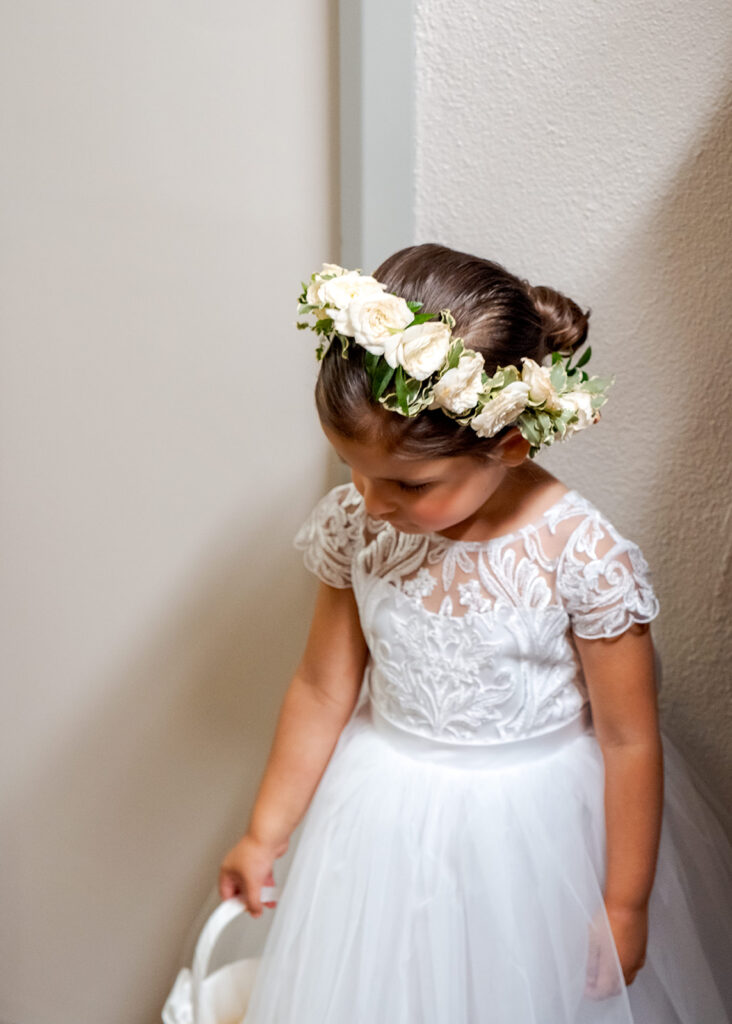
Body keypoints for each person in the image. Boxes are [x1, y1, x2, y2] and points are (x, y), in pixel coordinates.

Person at [218, 244, 732, 1023]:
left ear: (510, 444)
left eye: (407, 484)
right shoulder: (360, 529)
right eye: (353, 471)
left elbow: (629, 739)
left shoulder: (580, 556)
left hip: (534, 837)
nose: (372, 500)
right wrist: (265, 831)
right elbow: (324, 686)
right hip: (383, 818)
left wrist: (624, 904)